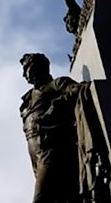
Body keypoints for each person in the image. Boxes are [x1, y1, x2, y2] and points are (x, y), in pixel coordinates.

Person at [19, 53, 90, 203]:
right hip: (35, 155)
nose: (25, 74)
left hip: (52, 150)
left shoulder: (56, 84)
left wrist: (57, 104)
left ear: (39, 67)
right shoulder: (29, 97)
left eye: (27, 69)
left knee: (41, 199)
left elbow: (78, 89)